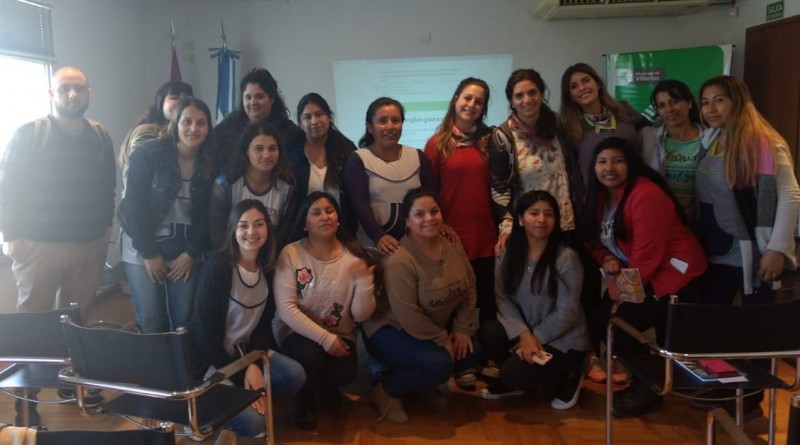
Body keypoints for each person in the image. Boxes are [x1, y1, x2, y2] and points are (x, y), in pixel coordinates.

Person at [0, 66, 115, 426]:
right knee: (33, 327)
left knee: (76, 324)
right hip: (39, 247)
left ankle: (71, 386)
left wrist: (105, 228)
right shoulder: (30, 133)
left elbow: (108, 186)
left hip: (88, 246)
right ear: (52, 93)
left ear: (89, 93)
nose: (72, 95)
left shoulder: (99, 135)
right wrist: (9, 234)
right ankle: (27, 404)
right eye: (65, 89)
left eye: (78, 89)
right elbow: (7, 185)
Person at [692, 75, 800, 418]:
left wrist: (776, 249)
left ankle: (750, 398)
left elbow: (790, 195)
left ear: (737, 101)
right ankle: (722, 385)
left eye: (719, 100)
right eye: (705, 102)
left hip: (755, 251)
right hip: (718, 248)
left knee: (755, 328)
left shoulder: (765, 141)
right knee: (715, 321)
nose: (711, 108)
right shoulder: (713, 138)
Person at [585, 137, 707, 417]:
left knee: (622, 322)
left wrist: (623, 298)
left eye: (618, 161)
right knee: (605, 318)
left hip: (674, 275)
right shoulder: (596, 197)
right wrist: (605, 257)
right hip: (639, 275)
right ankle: (650, 376)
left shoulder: (645, 194)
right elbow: (589, 239)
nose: (609, 168)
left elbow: (647, 255)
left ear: (630, 164)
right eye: (602, 161)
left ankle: (647, 388)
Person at [363, 188, 479, 423]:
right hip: (391, 330)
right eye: (419, 214)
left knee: (472, 351)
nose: (429, 219)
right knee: (440, 364)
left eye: (434, 211)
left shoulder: (452, 243)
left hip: (428, 329)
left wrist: (461, 329)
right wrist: (442, 338)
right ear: (407, 221)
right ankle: (386, 390)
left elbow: (469, 287)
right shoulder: (400, 260)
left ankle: (422, 384)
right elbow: (408, 314)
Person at [193, 199, 305, 438]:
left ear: (268, 229)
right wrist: (242, 374)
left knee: (294, 375)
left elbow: (263, 327)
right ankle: (211, 412)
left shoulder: (268, 269)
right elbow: (205, 337)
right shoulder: (218, 268)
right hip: (213, 361)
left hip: (248, 353)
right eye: (243, 225)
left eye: (259, 224)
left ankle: (252, 399)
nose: (251, 232)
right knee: (253, 425)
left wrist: (252, 362)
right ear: (233, 231)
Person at [272, 192, 377, 430]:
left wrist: (364, 285)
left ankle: (324, 387)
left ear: (338, 219)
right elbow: (286, 308)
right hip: (295, 331)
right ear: (305, 224)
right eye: (316, 213)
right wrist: (325, 339)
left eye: (330, 211)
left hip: (339, 333)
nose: (325, 217)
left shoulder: (353, 258)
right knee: (310, 354)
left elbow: (361, 315)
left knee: (345, 372)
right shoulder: (291, 253)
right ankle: (305, 400)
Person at [477, 191, 589, 410]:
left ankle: (570, 376)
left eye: (549, 214)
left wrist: (536, 337)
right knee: (489, 333)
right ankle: (520, 381)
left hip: (564, 339)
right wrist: (525, 335)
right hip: (528, 331)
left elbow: (568, 311)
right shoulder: (507, 252)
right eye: (534, 213)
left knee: (511, 373)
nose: (541, 219)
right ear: (520, 219)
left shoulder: (566, 258)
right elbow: (503, 299)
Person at [121, 97, 217, 334]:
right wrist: (149, 253)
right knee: (151, 320)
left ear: (208, 128)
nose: (193, 128)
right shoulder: (147, 154)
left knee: (183, 320)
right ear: (176, 124)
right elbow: (135, 207)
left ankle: (178, 360)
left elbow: (210, 215)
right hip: (142, 246)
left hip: (185, 251)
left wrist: (191, 253)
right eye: (187, 121)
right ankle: (155, 361)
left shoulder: (211, 163)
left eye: (201, 123)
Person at [424, 78, 496, 322]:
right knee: (454, 306)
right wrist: (441, 225)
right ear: (456, 99)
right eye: (467, 98)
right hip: (451, 237)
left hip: (487, 236)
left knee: (485, 307)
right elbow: (429, 194)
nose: (471, 104)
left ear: (483, 108)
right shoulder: (436, 144)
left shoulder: (491, 141)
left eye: (479, 101)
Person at [491, 69, 581, 251]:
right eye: (519, 95)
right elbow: (499, 186)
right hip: (529, 227)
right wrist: (506, 226)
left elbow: (571, 172)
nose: (527, 100)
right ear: (511, 101)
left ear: (541, 94)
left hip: (564, 222)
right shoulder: (503, 136)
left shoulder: (557, 125)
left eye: (532, 92)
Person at [343, 97, 437, 255]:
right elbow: (359, 204)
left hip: (417, 246)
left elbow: (432, 196)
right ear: (370, 127)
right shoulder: (358, 160)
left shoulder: (417, 156)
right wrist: (378, 236)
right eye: (382, 121)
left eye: (395, 120)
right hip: (376, 248)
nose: (390, 126)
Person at [560, 63, 650, 185]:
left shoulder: (624, 110)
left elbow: (652, 134)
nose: (582, 88)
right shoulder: (570, 129)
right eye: (574, 86)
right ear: (571, 96)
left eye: (586, 81)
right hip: (597, 192)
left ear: (598, 84)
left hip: (636, 187)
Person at [210, 123, 294, 250]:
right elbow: (218, 235)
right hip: (229, 257)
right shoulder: (225, 186)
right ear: (246, 151)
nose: (266, 155)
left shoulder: (287, 189)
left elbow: (283, 236)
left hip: (270, 259)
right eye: (258, 149)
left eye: (272, 149)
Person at [287, 93, 358, 235]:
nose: (314, 121)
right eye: (307, 117)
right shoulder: (291, 152)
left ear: (329, 117)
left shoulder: (347, 149)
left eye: (319, 114)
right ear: (300, 123)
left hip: (341, 230)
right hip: (303, 231)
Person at [641, 80, 705, 227]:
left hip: (702, 221)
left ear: (689, 103)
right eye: (661, 105)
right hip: (663, 220)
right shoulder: (648, 138)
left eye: (674, 102)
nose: (669, 109)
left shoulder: (709, 138)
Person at [215, 68, 302, 170]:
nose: (253, 102)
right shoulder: (230, 124)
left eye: (259, 97)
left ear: (272, 98)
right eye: (248, 97)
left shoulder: (289, 131)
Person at [118, 80, 193, 197]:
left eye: (187, 98)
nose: (182, 102)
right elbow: (140, 174)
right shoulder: (146, 131)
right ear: (161, 103)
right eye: (175, 97)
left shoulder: (192, 133)